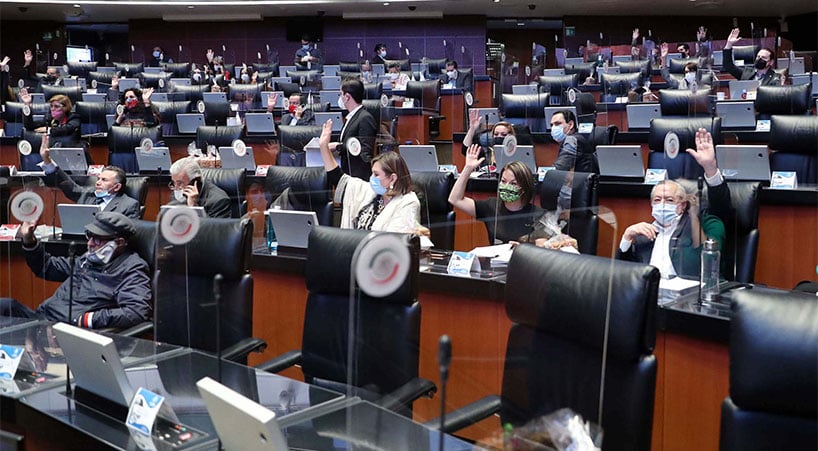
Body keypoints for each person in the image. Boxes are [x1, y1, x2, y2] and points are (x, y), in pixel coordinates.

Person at [0, 212, 152, 329]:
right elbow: (46, 267)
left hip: (64, 332)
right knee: (7, 305)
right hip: (42, 318)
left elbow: (136, 311)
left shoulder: (132, 269)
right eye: (89, 236)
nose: (90, 244)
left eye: (98, 239)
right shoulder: (88, 259)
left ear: (119, 242)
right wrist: (29, 240)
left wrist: (86, 319)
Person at [616, 128, 728, 279]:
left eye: (669, 200)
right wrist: (627, 237)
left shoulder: (700, 225)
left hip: (686, 298)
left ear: (682, 206)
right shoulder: (644, 234)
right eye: (657, 200)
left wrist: (710, 168)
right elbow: (623, 277)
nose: (662, 204)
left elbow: (721, 208)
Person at [318, 119, 419, 233]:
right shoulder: (369, 192)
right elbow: (337, 178)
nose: (371, 178)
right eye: (372, 173)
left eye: (376, 174)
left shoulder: (408, 202)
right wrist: (323, 147)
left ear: (392, 178)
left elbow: (395, 241)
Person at [449, 144, 544, 244]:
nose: (507, 186)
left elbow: (543, 247)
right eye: (503, 181)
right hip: (494, 259)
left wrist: (523, 249)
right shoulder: (490, 206)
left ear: (525, 187)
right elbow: (455, 199)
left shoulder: (538, 215)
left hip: (522, 258)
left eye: (513, 183)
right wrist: (468, 168)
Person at [38, 137, 140, 219]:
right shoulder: (87, 195)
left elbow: (128, 234)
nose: (98, 183)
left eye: (104, 180)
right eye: (99, 178)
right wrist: (47, 160)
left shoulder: (129, 205)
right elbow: (66, 184)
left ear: (117, 187)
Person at [330, 78, 377, 180]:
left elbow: (365, 153)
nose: (340, 98)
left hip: (358, 177)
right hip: (347, 172)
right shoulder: (351, 117)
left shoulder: (365, 118)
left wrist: (338, 147)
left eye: (341, 94)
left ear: (347, 97)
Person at [167, 157, 232, 218]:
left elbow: (215, 229)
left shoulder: (218, 200)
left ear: (196, 181)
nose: (176, 188)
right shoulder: (177, 192)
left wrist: (194, 208)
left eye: (180, 183)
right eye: (174, 183)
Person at [550, 109, 598, 173]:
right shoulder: (574, 138)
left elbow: (559, 169)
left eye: (557, 124)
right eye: (551, 125)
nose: (553, 128)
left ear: (571, 125)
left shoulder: (572, 141)